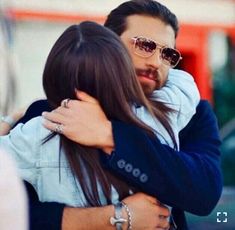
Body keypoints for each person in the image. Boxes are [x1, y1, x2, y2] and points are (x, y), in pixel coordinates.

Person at [8, 0, 222, 229]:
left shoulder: (192, 113)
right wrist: (114, 218)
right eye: (145, 45)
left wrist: (112, 136)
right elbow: (14, 210)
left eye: (167, 54)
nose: (156, 62)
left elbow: (204, 193)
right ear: (109, 43)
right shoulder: (55, 112)